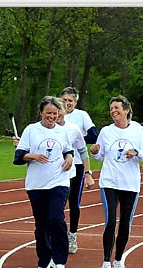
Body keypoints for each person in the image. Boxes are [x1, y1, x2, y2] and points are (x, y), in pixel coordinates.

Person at [13, 96, 74, 268]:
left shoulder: (62, 132)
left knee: (56, 219)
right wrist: (33, 156)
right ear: (41, 113)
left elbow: (67, 150)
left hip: (59, 182)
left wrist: (70, 158)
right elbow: (19, 156)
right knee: (41, 224)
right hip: (36, 184)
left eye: (55, 113)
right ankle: (43, 261)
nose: (52, 116)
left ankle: (60, 261)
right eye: (48, 113)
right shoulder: (31, 130)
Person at [91, 95, 143, 268]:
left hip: (130, 184)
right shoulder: (106, 131)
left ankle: (118, 262)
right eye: (111, 108)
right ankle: (105, 263)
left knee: (125, 223)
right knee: (110, 222)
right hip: (109, 181)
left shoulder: (137, 131)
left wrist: (137, 152)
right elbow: (99, 156)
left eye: (117, 107)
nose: (113, 111)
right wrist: (95, 151)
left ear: (126, 110)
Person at [58, 86, 97, 254]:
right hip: (57, 165)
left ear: (76, 101)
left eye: (70, 101)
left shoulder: (81, 116)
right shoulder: (55, 114)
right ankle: (57, 235)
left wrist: (76, 138)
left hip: (78, 164)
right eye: (64, 100)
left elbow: (93, 135)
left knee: (74, 201)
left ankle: (72, 234)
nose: (67, 104)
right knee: (57, 201)